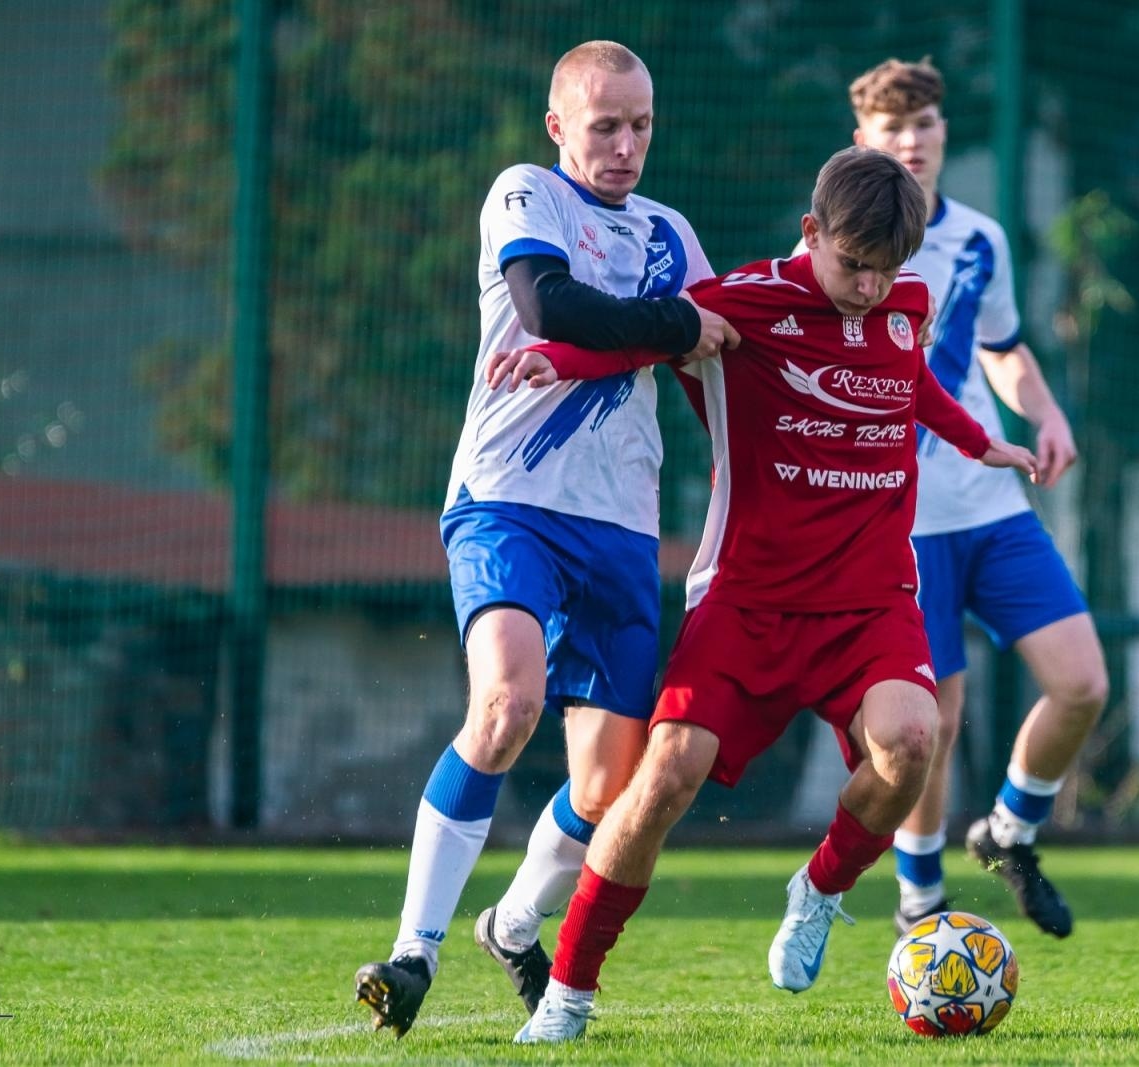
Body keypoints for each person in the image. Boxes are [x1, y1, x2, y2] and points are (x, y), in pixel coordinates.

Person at [490, 146, 1039, 1044]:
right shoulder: (744, 303)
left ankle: (820, 889)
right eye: (851, 263)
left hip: (869, 598)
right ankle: (569, 991)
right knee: (665, 773)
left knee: (913, 739)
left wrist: (982, 442)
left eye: (885, 269)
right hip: (746, 600)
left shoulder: (905, 303)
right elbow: (642, 335)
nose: (868, 286)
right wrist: (555, 356)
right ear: (810, 231)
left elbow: (913, 387)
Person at [353, 39, 740, 1039]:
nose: (623, 145)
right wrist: (676, 324)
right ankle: (412, 952)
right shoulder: (529, 194)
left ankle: (512, 922)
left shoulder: (669, 233)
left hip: (620, 522)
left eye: (640, 125)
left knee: (608, 786)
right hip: (507, 500)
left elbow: (726, 361)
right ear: (558, 126)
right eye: (603, 125)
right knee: (507, 698)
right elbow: (548, 304)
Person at [842, 58, 1108, 939]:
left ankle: (1009, 829)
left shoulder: (982, 238)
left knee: (1081, 683)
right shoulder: (843, 251)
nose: (911, 142)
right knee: (938, 719)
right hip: (900, 528)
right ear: (863, 145)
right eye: (892, 131)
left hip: (992, 508)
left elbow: (1004, 346)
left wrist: (1046, 411)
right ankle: (921, 894)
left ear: (945, 134)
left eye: (924, 126)